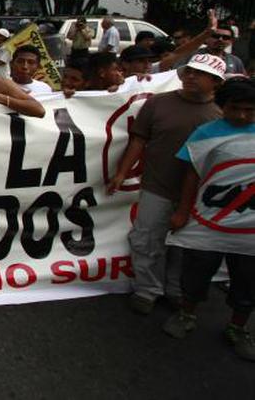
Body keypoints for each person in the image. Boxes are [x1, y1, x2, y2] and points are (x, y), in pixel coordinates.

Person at [106, 53, 225, 315]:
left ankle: (175, 291)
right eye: (190, 71)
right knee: (146, 239)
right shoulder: (157, 104)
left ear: (216, 82)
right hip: (156, 186)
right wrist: (122, 173)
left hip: (199, 195)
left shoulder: (222, 116)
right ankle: (147, 290)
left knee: (184, 247)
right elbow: (139, 140)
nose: (192, 76)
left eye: (201, 74)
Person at [162, 77, 255, 360]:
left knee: (249, 280)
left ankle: (238, 327)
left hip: (250, 228)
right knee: (197, 271)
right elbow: (192, 174)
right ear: (222, 106)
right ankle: (186, 314)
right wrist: (182, 212)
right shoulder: (205, 134)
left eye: (250, 110)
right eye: (234, 108)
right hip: (208, 222)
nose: (241, 115)